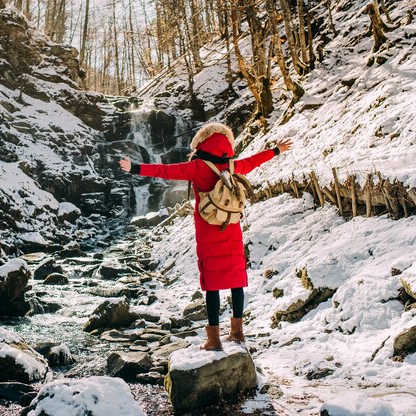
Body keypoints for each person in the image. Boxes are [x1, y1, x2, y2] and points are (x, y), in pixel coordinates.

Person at [120, 122, 292, 351]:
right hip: (230, 226)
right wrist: (276, 150)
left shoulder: (197, 167)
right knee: (235, 280)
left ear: (202, 143)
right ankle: (238, 334)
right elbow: (253, 161)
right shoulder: (232, 165)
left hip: (208, 228)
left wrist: (134, 168)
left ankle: (214, 340)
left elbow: (166, 171)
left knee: (212, 283)